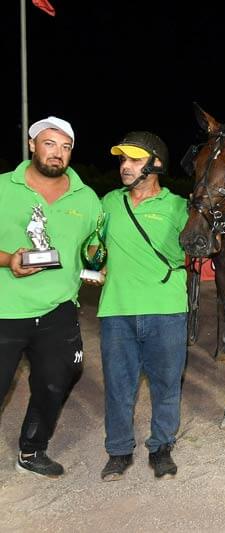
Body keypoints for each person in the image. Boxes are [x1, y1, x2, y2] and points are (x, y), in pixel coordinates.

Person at [0, 116, 102, 478]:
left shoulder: (86, 198)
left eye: (65, 146)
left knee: (57, 380)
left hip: (59, 309)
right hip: (6, 308)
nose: (57, 152)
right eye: (49, 143)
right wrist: (8, 259)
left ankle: (32, 450)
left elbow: (94, 246)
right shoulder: (3, 187)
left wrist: (97, 266)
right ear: (32, 145)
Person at [97, 131, 189, 480]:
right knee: (118, 387)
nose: (125, 166)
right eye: (123, 159)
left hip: (166, 310)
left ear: (156, 164)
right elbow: (92, 245)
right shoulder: (108, 203)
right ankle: (119, 450)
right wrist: (94, 262)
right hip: (116, 310)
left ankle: (161, 447)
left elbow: (204, 244)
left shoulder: (179, 207)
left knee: (166, 385)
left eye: (134, 160)